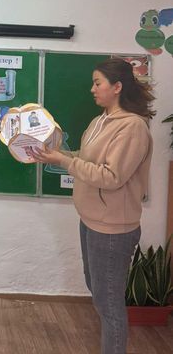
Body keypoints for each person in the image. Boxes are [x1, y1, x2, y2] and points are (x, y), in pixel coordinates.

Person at [32, 58, 154, 354]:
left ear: (117, 87)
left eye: (97, 83)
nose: (92, 89)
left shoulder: (132, 127)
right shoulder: (99, 121)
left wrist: (65, 162)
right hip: (90, 221)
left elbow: (111, 177)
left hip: (112, 229)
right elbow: (88, 160)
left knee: (109, 304)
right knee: (98, 291)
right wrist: (61, 155)